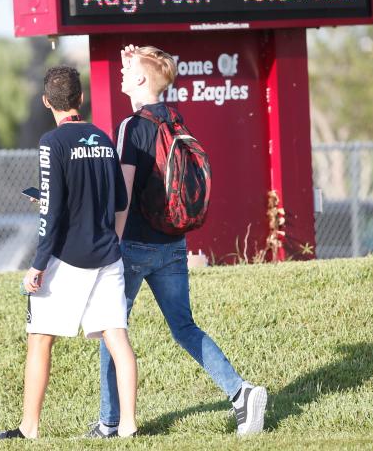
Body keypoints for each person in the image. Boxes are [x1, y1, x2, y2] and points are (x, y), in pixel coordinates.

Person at [89, 45, 267, 439]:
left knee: (111, 329)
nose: (121, 75)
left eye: (127, 71)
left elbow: (125, 194)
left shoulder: (131, 127)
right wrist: (136, 61)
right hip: (173, 244)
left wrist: (110, 248)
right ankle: (241, 393)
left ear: (139, 80)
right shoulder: (173, 119)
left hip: (133, 245)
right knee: (185, 327)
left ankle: (109, 422)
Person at [0, 66, 138, 440]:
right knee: (117, 339)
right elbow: (118, 200)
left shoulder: (50, 143)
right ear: (81, 99)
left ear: (46, 102)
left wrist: (38, 265)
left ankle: (29, 428)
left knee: (40, 339)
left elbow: (53, 211)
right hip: (108, 257)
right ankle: (128, 426)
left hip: (67, 259)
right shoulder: (104, 139)